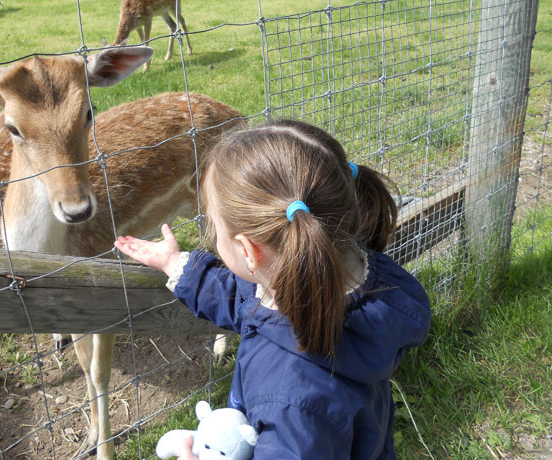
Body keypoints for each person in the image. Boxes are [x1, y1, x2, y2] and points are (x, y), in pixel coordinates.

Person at [115, 119, 431, 459]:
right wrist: (176, 265)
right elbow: (242, 300)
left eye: (214, 228)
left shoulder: (290, 398)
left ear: (249, 252)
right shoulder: (368, 287)